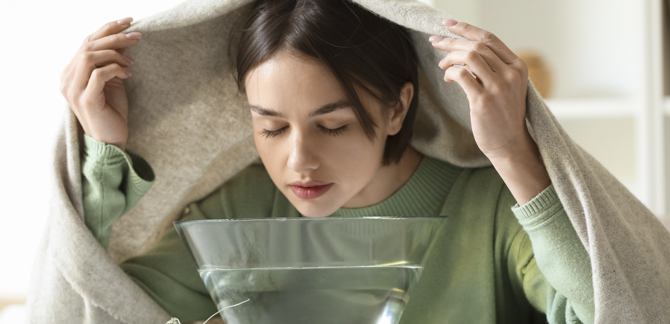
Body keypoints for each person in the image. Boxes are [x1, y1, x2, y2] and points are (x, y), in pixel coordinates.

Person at [59, 0, 594, 323]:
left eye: (332, 125)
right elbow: (92, 308)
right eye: (270, 127)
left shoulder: (493, 211)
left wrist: (511, 152)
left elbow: (613, 311)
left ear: (397, 107)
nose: (298, 162)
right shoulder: (241, 209)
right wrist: (103, 162)